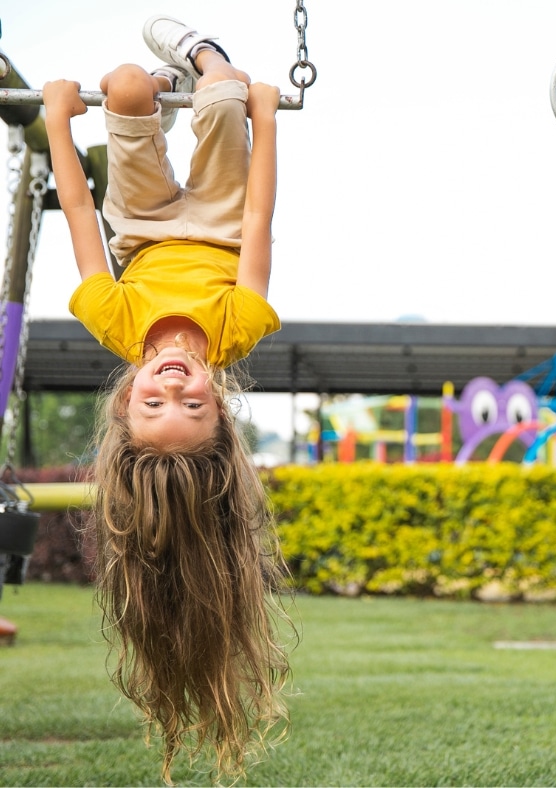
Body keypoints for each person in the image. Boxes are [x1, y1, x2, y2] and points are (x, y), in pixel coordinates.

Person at [43, 15, 291, 782]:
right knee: (221, 95)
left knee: (119, 83)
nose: (175, 390)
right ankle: (200, 56)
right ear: (223, 407)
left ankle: (151, 90)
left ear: (125, 405)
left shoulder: (115, 323)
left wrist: (57, 122)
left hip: (142, 230)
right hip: (218, 226)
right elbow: (259, 222)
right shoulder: (238, 328)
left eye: (156, 407)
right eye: (195, 409)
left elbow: (82, 216)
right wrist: (267, 122)